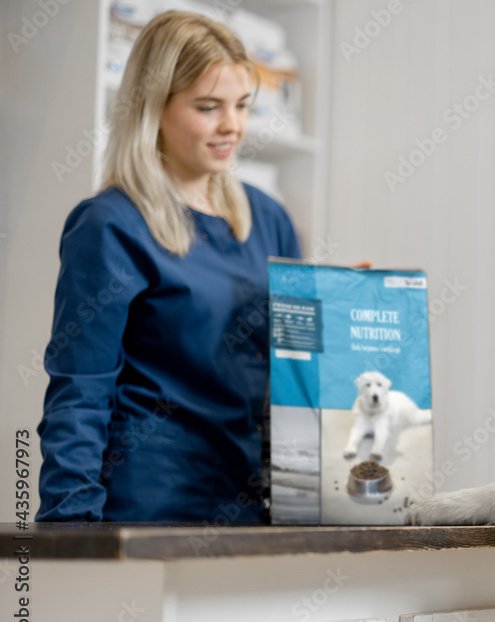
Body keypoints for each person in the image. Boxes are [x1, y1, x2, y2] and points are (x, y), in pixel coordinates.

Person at [36, 11, 301, 522]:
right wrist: (70, 536)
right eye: (209, 107)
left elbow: (289, 380)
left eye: (242, 105)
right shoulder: (110, 225)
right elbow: (79, 392)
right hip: (149, 509)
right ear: (153, 107)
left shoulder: (268, 221)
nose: (233, 126)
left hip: (248, 508)